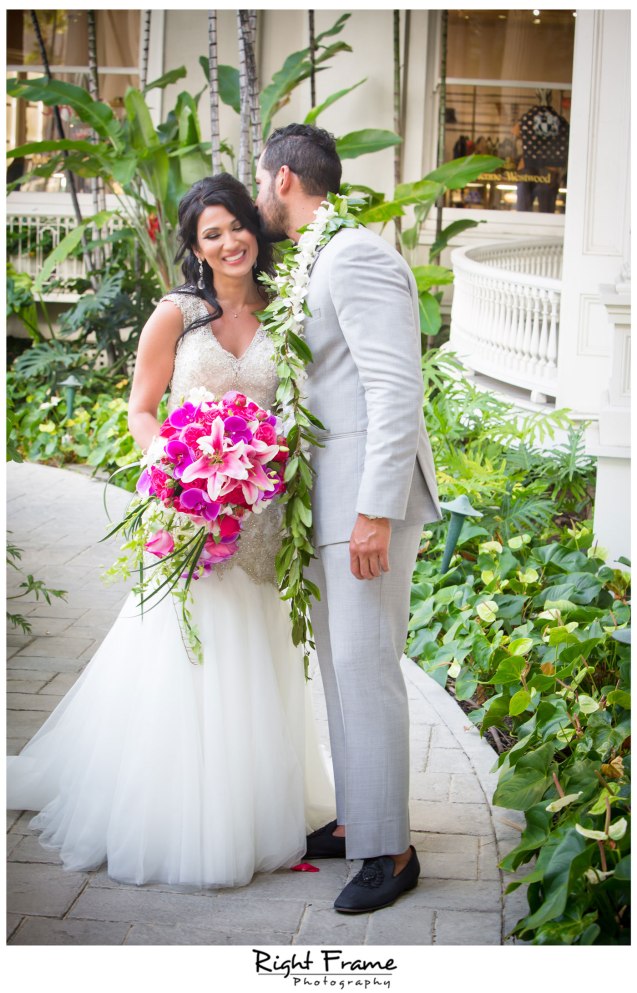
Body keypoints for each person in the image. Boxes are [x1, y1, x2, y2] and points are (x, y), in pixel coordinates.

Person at [6, 174, 335, 888]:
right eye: (210, 233)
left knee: (257, 653)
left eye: (236, 225)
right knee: (192, 657)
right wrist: (182, 470)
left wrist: (262, 463)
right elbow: (141, 410)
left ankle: (257, 805)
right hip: (190, 511)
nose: (228, 241)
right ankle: (184, 815)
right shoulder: (176, 315)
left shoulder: (285, 311)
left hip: (262, 518)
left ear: (255, 226)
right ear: (194, 247)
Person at [255, 124, 441, 914]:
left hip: (364, 505)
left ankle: (389, 850)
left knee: (366, 670)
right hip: (328, 502)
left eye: (260, 178)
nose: (257, 190)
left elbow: (396, 389)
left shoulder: (357, 255)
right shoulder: (320, 254)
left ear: (286, 177)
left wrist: (374, 511)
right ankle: (362, 817)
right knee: (341, 667)